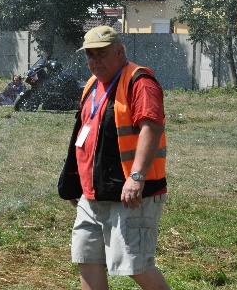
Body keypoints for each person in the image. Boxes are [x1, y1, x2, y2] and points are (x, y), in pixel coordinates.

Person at [58, 25, 170, 290]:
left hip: (131, 194)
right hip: (93, 195)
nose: (95, 60)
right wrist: (75, 181)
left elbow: (152, 127)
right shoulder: (92, 85)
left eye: (101, 53)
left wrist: (137, 177)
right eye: (90, 55)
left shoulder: (140, 81)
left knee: (136, 265)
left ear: (119, 52)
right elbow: (84, 135)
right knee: (87, 259)